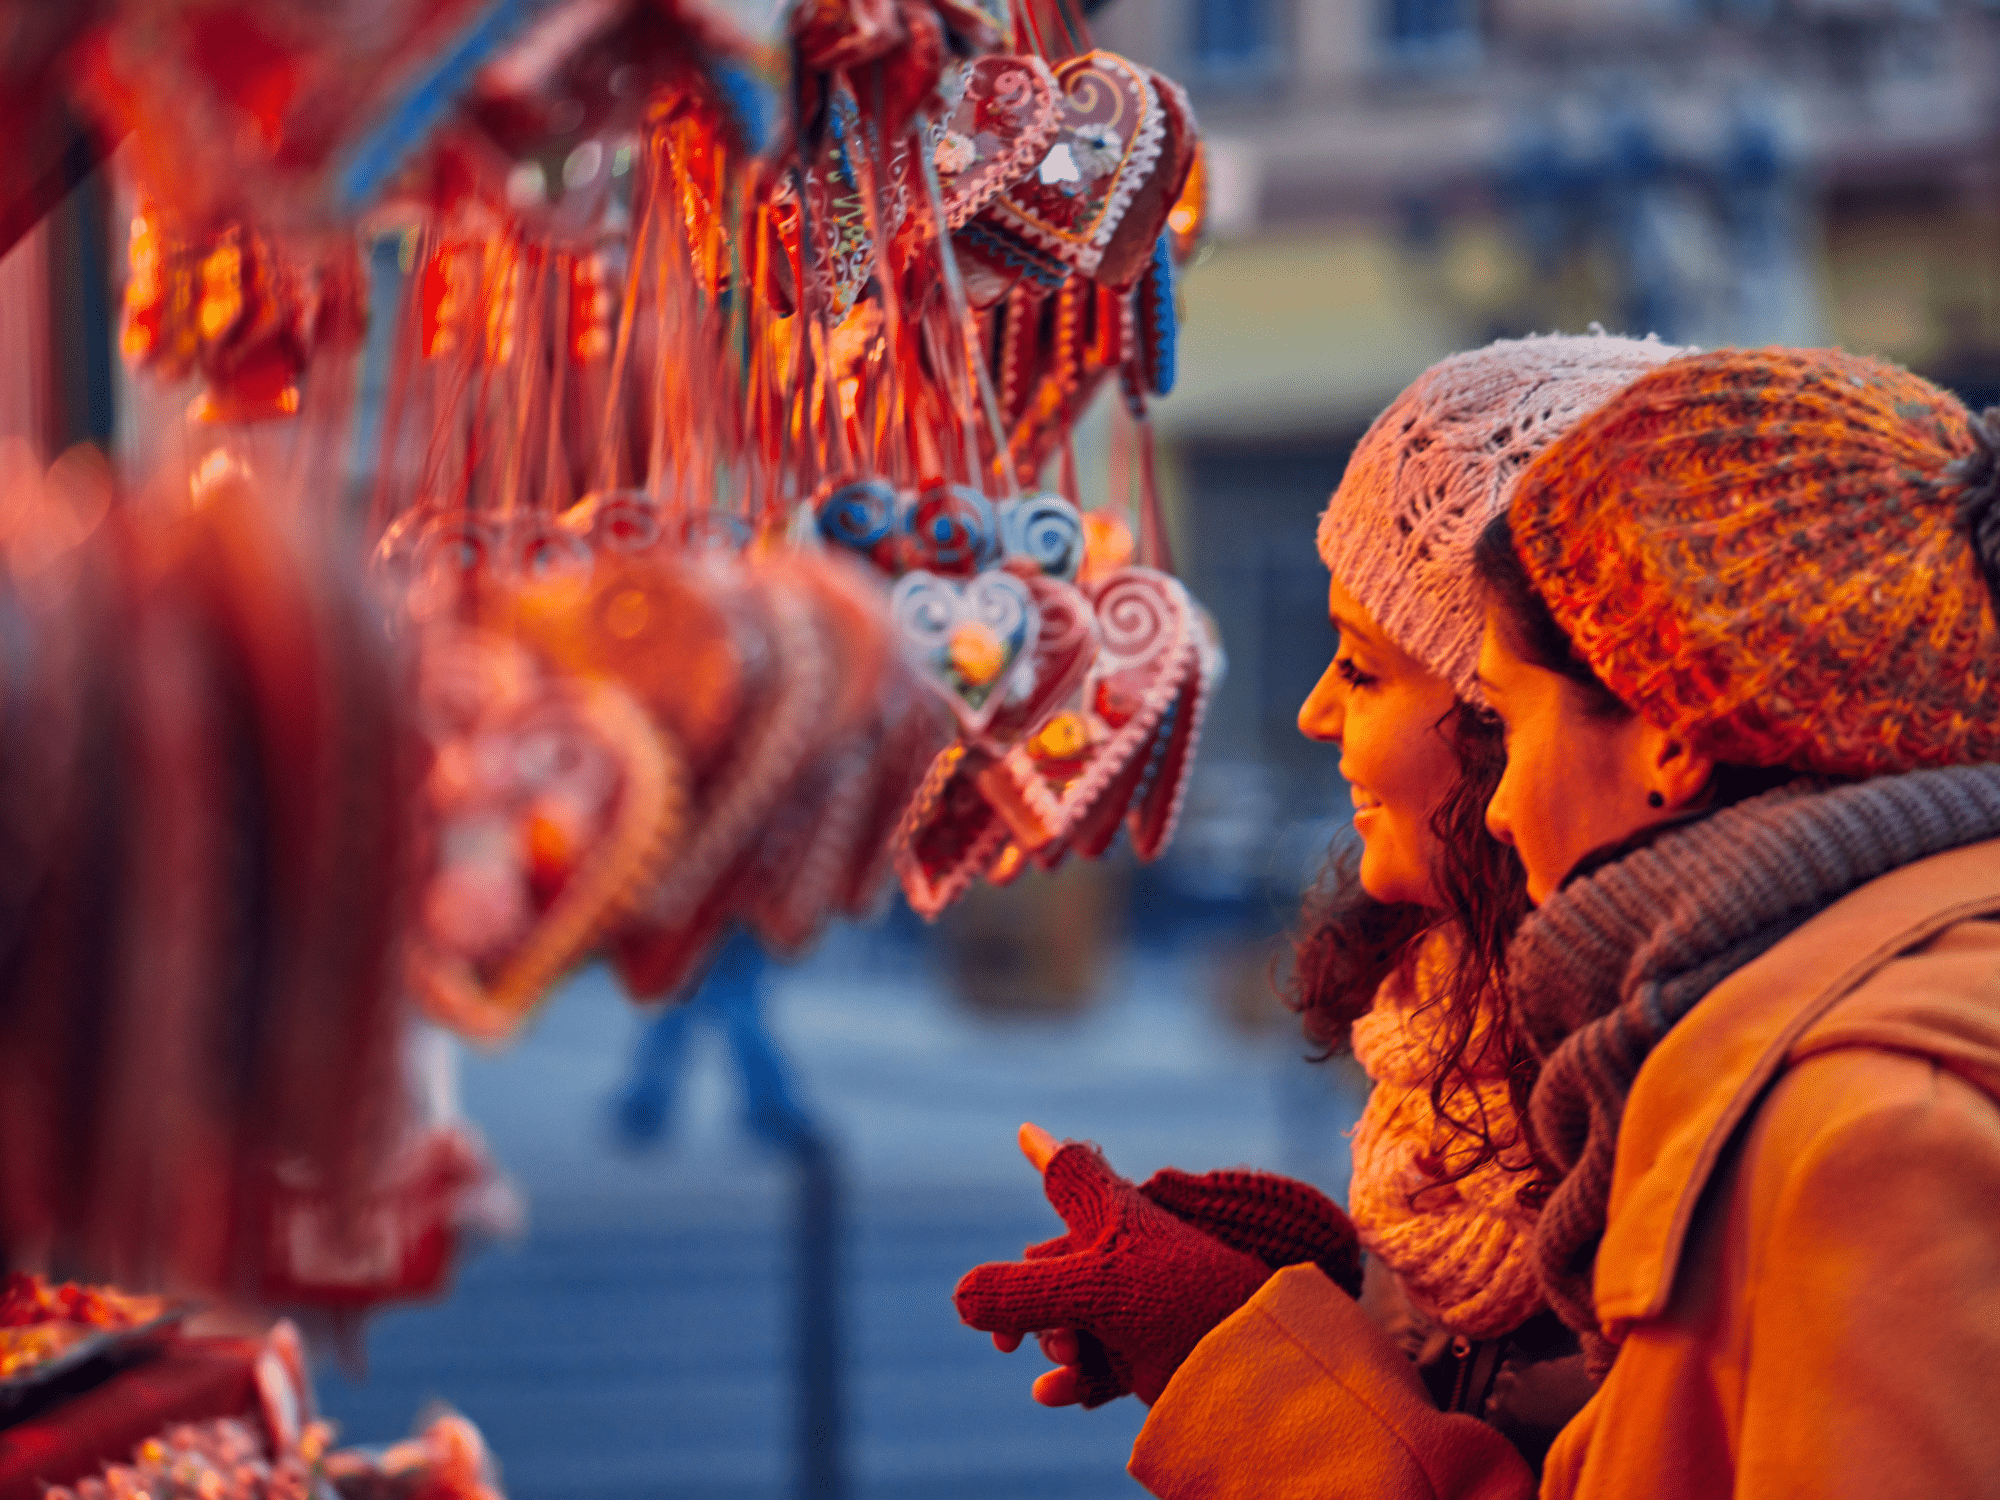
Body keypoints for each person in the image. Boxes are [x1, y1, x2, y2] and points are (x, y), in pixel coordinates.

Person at [965, 345, 2000, 1497]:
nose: (1503, 803)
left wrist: (1250, 1371)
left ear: (1668, 733)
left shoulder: (1865, 1127)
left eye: (1501, 713)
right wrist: (1331, 1324)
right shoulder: (1716, 1059)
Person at [959, 333, 1686, 1467]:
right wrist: (1311, 1301)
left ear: (1513, 711)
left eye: (1359, 666)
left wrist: (1239, 1364)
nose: (1310, 711)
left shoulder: (1693, 1099)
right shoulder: (1457, 1031)